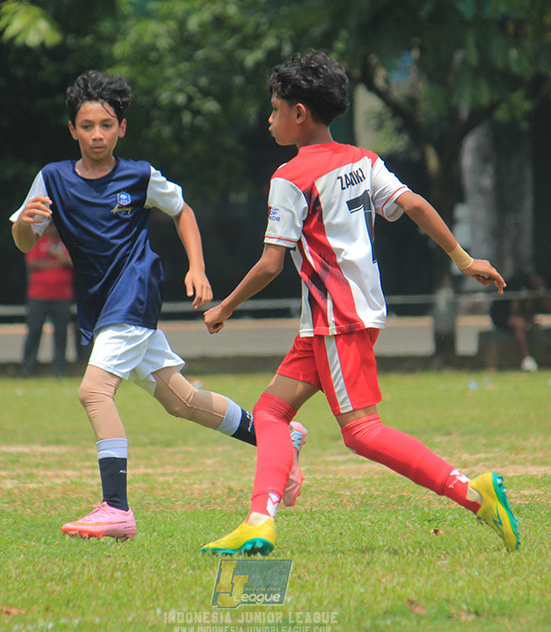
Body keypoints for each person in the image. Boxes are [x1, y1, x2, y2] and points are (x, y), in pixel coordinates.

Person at [200, 51, 520, 556]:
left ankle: (472, 494)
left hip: (336, 319)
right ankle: (259, 520)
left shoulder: (290, 177)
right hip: (338, 319)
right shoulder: (361, 160)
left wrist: (225, 307)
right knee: (268, 412)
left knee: (362, 432)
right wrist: (461, 256)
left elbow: (269, 265)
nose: (270, 117)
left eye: (275, 107)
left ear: (299, 113)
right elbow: (411, 203)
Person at [10, 70, 306, 541]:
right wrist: (27, 223)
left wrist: (197, 267)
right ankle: (279, 438)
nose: (97, 134)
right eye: (86, 126)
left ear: (122, 128)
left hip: (134, 292)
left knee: (93, 391)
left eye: (106, 125)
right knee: (181, 400)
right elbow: (25, 241)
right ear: (72, 130)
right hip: (102, 303)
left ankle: (115, 508)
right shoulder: (51, 178)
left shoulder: (140, 175)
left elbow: (182, 211)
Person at [20, 222, 74, 378]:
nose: (52, 229)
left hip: (62, 295)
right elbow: (32, 263)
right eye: (50, 226)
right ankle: (27, 369)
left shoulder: (66, 243)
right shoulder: (38, 241)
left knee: (61, 334)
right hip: (38, 295)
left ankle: (59, 371)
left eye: (54, 225)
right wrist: (57, 263)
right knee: (34, 332)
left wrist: (58, 257)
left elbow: (72, 262)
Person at [488, 272, 551, 372]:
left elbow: (527, 308)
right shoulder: (519, 284)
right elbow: (514, 310)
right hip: (501, 315)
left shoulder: (532, 289)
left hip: (514, 314)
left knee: (533, 326)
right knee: (519, 324)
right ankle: (527, 358)